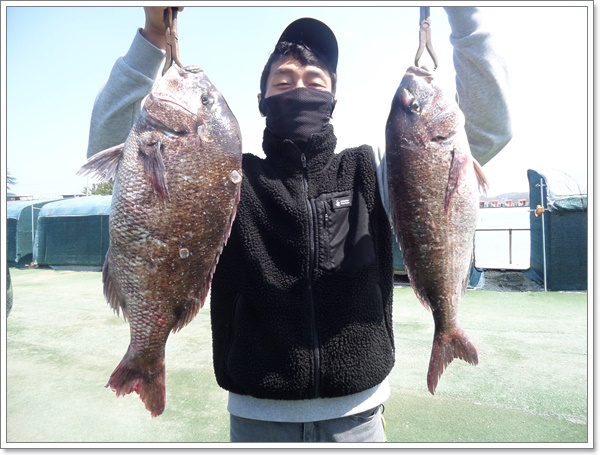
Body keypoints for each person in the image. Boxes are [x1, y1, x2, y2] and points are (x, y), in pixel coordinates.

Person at [86, 6, 511, 443]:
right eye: (284, 82)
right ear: (262, 100)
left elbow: (488, 131)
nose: (300, 89)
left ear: (333, 100)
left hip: (358, 420)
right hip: (257, 419)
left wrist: (464, 15)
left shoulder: (372, 173)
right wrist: (154, 38)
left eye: (315, 81)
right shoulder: (227, 180)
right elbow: (114, 147)